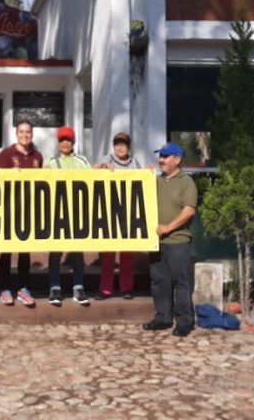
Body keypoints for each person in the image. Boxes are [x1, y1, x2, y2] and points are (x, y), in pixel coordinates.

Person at [143, 142, 198, 337]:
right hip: (157, 242)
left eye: (165, 156)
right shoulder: (156, 180)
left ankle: (184, 321)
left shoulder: (186, 182)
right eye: (160, 156)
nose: (161, 160)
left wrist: (168, 228)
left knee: (180, 282)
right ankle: (163, 317)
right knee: (159, 281)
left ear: (177, 159)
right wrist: (145, 175)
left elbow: (189, 210)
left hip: (177, 241)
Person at [0, 120, 43, 307]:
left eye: (28, 132)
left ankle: (24, 289)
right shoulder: (6, 154)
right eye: (21, 132)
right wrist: (7, 173)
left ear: (32, 134)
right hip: (9, 208)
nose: (25, 135)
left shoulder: (37, 156)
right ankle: (5, 288)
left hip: (28, 209)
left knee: (24, 250)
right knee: (6, 249)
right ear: (16, 134)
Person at [44, 126, 90, 306]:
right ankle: (55, 287)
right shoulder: (50, 161)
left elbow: (94, 180)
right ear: (58, 142)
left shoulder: (82, 161)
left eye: (68, 140)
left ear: (73, 142)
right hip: (56, 212)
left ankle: (78, 287)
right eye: (62, 140)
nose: (65, 143)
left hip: (77, 212)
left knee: (77, 250)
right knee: (55, 250)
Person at [94, 132, 141, 300]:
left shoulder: (135, 162)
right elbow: (95, 170)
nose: (120, 147)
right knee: (108, 254)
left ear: (129, 147)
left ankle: (126, 288)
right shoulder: (107, 158)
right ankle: (105, 289)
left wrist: (149, 172)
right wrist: (102, 167)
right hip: (110, 211)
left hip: (128, 212)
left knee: (127, 253)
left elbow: (141, 182)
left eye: (123, 144)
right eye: (117, 144)